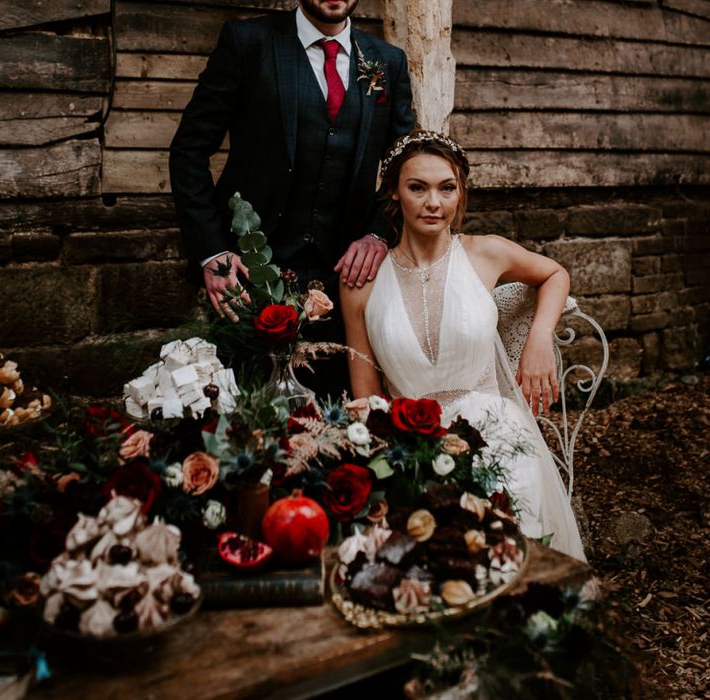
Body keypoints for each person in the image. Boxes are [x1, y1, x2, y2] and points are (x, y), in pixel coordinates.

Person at [340, 130, 586, 561]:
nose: (433, 203)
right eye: (417, 188)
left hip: (499, 438)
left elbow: (555, 275)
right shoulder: (360, 284)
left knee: (514, 557)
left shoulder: (486, 253)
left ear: (460, 193)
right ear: (395, 194)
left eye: (446, 188)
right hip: (415, 448)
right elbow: (366, 397)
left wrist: (539, 338)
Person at [169, 0, 415, 318]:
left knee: (347, 369)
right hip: (247, 274)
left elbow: (406, 166)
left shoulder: (388, 61)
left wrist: (379, 232)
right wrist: (212, 251)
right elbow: (189, 150)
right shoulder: (247, 43)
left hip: (348, 276)